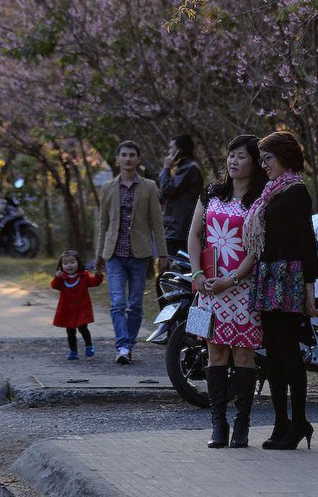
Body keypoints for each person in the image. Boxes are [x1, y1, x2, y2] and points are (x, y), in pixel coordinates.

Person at [187, 134, 266, 448]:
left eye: (242, 156)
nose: (234, 161)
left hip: (242, 288)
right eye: (231, 155)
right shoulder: (211, 193)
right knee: (215, 353)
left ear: (255, 162)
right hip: (208, 287)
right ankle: (217, 425)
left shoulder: (261, 199)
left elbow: (255, 249)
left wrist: (231, 280)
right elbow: (194, 234)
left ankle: (242, 425)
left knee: (243, 354)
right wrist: (196, 274)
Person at [244, 130, 318, 451]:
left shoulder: (296, 192)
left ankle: (300, 420)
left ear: (285, 157)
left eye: (268, 158)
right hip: (267, 274)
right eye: (261, 160)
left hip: (288, 277)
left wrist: (309, 292)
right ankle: (281, 423)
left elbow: (307, 244)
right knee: (273, 355)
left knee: (289, 353)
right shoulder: (271, 192)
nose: (264, 165)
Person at [95, 140, 168, 364]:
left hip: (139, 254)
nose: (127, 159)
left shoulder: (149, 186)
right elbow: (103, 224)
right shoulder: (108, 188)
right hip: (114, 253)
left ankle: (129, 344)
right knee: (117, 302)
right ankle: (123, 346)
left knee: (135, 304)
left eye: (131, 155)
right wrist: (98, 256)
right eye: (123, 155)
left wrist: (162, 254)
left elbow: (157, 223)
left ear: (138, 159)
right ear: (117, 159)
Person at [51, 249, 105, 360]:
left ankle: (89, 346)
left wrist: (99, 275)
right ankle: (73, 351)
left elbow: (94, 282)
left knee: (83, 328)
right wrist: (57, 277)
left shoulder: (84, 276)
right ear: (61, 266)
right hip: (67, 310)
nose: (69, 265)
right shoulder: (62, 278)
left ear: (78, 263)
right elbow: (54, 286)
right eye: (65, 263)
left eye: (72, 262)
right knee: (70, 331)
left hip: (82, 308)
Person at [159, 134, 204, 262]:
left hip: (178, 231)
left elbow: (166, 190)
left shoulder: (190, 169)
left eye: (171, 148)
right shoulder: (183, 168)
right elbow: (162, 195)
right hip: (175, 230)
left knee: (173, 271)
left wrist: (166, 168)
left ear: (180, 150)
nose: (168, 152)